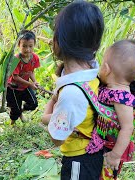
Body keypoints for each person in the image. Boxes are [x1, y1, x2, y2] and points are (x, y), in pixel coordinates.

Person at [42, 1, 105, 179]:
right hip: (92, 152)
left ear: (58, 42)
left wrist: (49, 111)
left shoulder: (71, 94)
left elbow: (57, 138)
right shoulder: (93, 71)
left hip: (79, 160)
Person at [84, 39, 135, 179]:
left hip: (111, 148)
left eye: (102, 64)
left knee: (105, 175)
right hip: (101, 142)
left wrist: (115, 155)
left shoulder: (123, 98)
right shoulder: (109, 88)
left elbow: (128, 128)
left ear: (106, 69)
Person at [6, 30, 40, 125]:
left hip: (25, 86)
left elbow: (31, 71)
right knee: (14, 109)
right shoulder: (15, 59)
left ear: (34, 45)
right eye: (24, 46)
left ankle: (20, 112)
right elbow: (15, 77)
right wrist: (30, 84)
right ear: (19, 46)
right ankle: (12, 123)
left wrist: (35, 81)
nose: (27, 49)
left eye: (30, 46)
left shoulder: (35, 58)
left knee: (33, 103)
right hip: (13, 87)